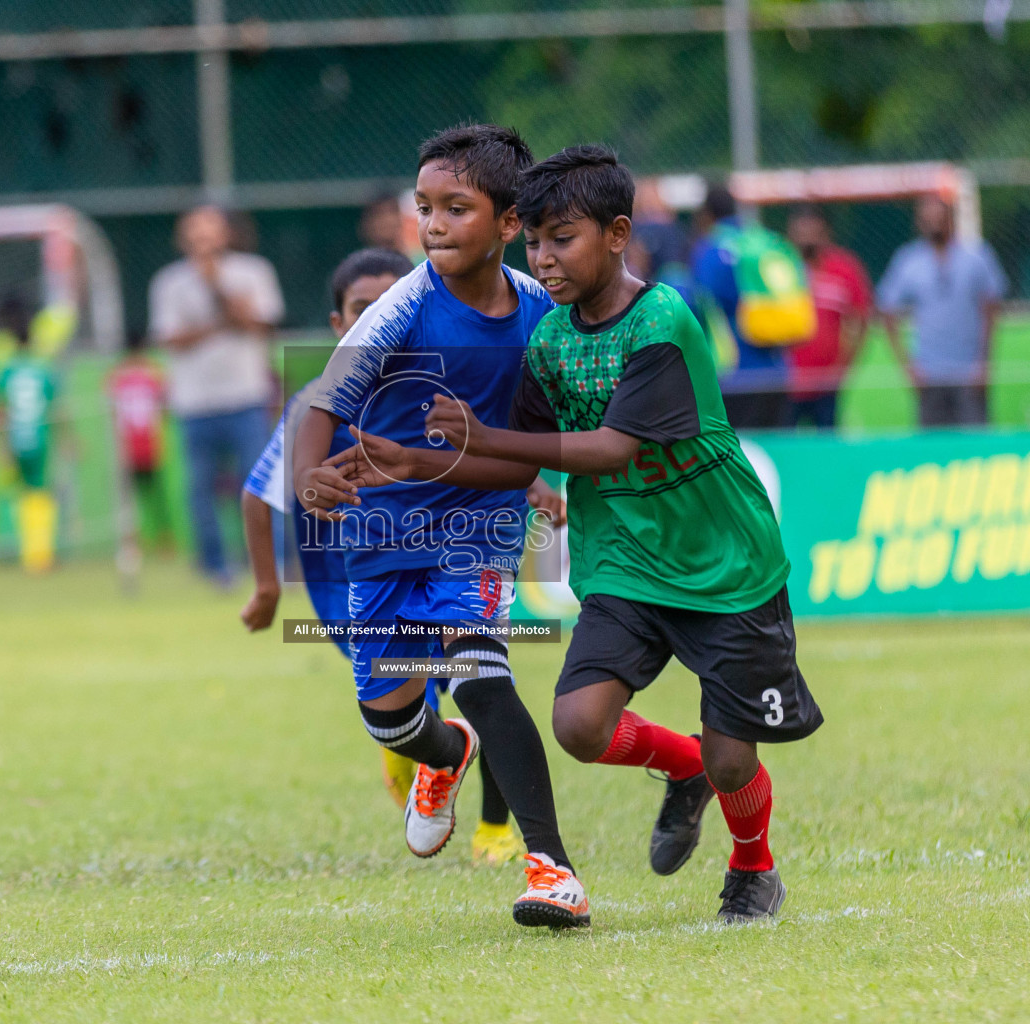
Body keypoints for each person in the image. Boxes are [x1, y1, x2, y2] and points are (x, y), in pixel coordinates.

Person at [332, 146, 824, 923]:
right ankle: (685, 769)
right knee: (579, 724)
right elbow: (511, 466)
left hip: (722, 561)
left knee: (738, 760)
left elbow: (607, 450)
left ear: (619, 233)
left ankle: (752, 865)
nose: (544, 259)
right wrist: (410, 461)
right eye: (535, 242)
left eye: (563, 239)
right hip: (622, 561)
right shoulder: (550, 340)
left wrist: (481, 439)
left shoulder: (661, 318)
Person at [293, 124, 587, 928]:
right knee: (386, 715)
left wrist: (540, 480)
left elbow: (536, 438)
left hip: (477, 529)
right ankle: (448, 754)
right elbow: (325, 398)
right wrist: (311, 475)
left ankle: (552, 869)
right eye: (424, 207)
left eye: (457, 208)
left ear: (509, 223)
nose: (434, 224)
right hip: (382, 534)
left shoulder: (539, 315)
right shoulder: (402, 308)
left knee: (480, 669)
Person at [240, 246, 525, 867]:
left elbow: (491, 452)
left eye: (389, 303)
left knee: (481, 682)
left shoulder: (442, 383)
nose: (379, 315)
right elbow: (259, 496)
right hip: (361, 588)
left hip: (458, 557)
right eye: (362, 308)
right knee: (400, 718)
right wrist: (267, 588)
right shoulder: (316, 403)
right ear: (342, 326)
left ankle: (497, 829)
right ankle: (440, 757)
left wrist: (535, 487)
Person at [150, 206, 284, 586]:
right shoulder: (169, 282)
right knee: (200, 490)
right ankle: (214, 566)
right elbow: (171, 339)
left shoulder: (253, 272)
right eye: (194, 233)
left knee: (259, 485)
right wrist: (216, 324)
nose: (202, 241)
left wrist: (216, 288)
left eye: (209, 233)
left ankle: (266, 562)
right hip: (194, 403)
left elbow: (260, 323)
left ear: (225, 235)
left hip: (246, 396)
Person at [878, 195, 1008, 427]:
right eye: (927, 219)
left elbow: (991, 308)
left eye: (939, 217)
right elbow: (887, 310)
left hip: (969, 373)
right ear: (918, 223)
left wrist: (983, 363)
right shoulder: (908, 260)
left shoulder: (977, 256)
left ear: (951, 218)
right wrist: (908, 366)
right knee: (933, 452)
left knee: (974, 447)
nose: (934, 224)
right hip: (929, 376)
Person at [691, 184, 790, 429]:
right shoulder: (765, 242)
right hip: (778, 369)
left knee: (739, 451)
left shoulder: (710, 249)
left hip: (733, 373)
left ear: (707, 215)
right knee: (776, 451)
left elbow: (699, 305)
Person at [785, 205, 872, 429]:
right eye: (801, 233)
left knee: (827, 445)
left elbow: (862, 319)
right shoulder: (779, 269)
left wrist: (845, 367)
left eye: (813, 233)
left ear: (825, 233)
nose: (807, 240)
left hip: (827, 383)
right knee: (784, 445)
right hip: (784, 383)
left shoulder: (843, 269)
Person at [0, 322, 61, 574]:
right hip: (39, 439)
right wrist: (67, 439)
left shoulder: (7, 371)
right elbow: (56, 407)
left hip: (15, 439)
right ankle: (40, 555)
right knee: (41, 495)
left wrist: (1, 444)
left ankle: (26, 553)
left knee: (22, 496)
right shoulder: (42, 370)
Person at [107, 334, 172, 551]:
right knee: (154, 494)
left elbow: (112, 413)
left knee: (131, 496)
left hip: (128, 444)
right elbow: (165, 407)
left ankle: (136, 541)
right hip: (149, 442)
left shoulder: (117, 375)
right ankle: (161, 539)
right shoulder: (154, 372)